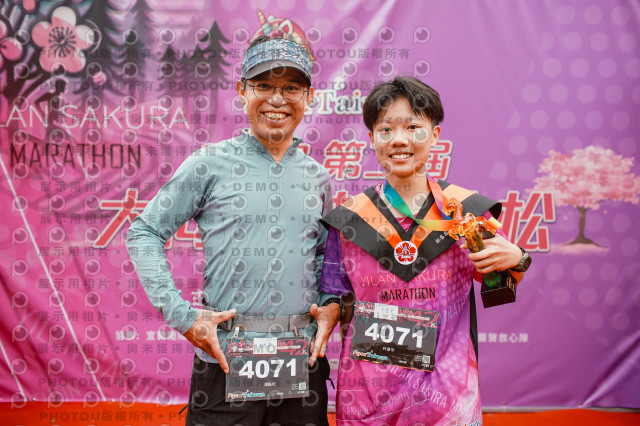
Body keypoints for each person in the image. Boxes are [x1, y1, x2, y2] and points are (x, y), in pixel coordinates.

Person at [126, 35, 341, 426]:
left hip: (301, 362)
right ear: (242, 91)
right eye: (264, 86)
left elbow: (326, 256)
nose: (277, 99)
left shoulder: (317, 177)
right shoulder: (209, 164)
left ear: (308, 97)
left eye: (291, 88)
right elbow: (145, 232)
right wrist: (183, 317)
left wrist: (332, 304)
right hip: (225, 359)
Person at [318, 76, 531, 425]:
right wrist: (326, 311)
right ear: (372, 139)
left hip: (447, 399)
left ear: (434, 135)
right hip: (369, 399)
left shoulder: (466, 213)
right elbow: (333, 295)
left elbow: (499, 287)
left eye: (413, 127)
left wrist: (518, 259)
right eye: (386, 129)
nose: (399, 139)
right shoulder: (349, 221)